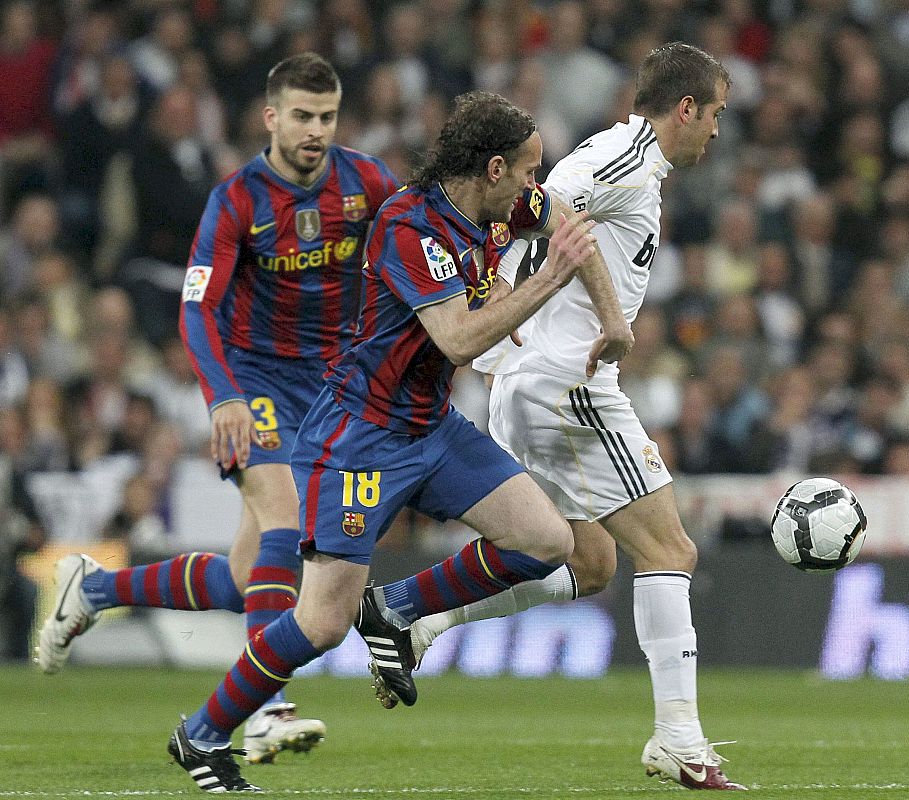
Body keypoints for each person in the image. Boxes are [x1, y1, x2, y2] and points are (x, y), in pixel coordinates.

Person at [164, 89, 631, 793]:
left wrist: (611, 318)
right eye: (530, 173)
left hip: (429, 425)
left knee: (546, 540)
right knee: (320, 622)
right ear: (495, 168)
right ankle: (201, 734)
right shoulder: (408, 226)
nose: (537, 189)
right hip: (358, 436)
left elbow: (568, 222)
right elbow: (460, 338)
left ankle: (397, 608)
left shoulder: (508, 205)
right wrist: (553, 278)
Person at [370, 42, 745, 791]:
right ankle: (680, 738)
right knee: (670, 549)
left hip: (534, 384)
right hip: (566, 387)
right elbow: (545, 200)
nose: (716, 132)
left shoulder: (640, 164)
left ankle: (413, 615)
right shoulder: (624, 156)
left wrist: (504, 295)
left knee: (590, 563)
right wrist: (517, 296)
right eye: (716, 116)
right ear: (686, 108)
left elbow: (539, 214)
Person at [34, 53, 399, 766]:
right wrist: (224, 396)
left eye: (326, 117)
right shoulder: (236, 200)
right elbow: (197, 307)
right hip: (252, 385)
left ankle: (95, 587)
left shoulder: (367, 182)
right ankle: (265, 709)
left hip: (329, 395)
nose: (314, 131)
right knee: (289, 526)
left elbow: (408, 252)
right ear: (270, 117)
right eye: (300, 116)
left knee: (243, 578)